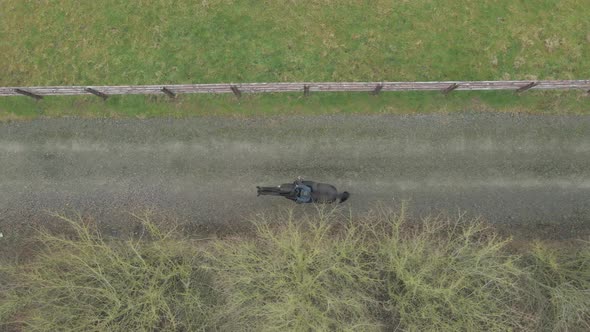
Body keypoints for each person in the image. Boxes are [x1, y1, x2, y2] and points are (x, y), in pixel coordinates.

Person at [257, 177, 350, 204]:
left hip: (307, 187)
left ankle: (262, 189)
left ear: (341, 193)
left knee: (283, 186)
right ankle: (262, 192)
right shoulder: (331, 201)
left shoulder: (333, 188)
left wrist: (301, 181)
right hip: (305, 198)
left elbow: (316, 185)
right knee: (283, 195)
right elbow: (317, 201)